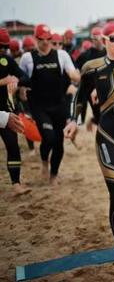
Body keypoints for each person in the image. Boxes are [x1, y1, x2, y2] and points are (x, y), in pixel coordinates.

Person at [64, 22, 114, 270]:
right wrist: (74, 121)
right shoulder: (91, 67)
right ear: (104, 41)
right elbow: (79, 96)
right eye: (113, 38)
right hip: (107, 135)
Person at [19, 24, 80, 185]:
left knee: (59, 142)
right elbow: (20, 79)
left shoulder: (61, 55)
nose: (45, 42)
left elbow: (72, 73)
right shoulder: (27, 58)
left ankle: (54, 175)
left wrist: (79, 78)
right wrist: (21, 90)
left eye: (48, 39)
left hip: (58, 105)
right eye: (41, 39)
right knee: (49, 137)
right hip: (39, 106)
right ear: (35, 39)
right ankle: (45, 160)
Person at [0, 28, 31, 196]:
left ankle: (16, 183)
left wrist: (16, 81)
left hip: (5, 112)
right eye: (1, 47)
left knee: (13, 146)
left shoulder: (7, 60)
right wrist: (2, 81)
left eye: (5, 47)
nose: (3, 51)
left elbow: (26, 77)